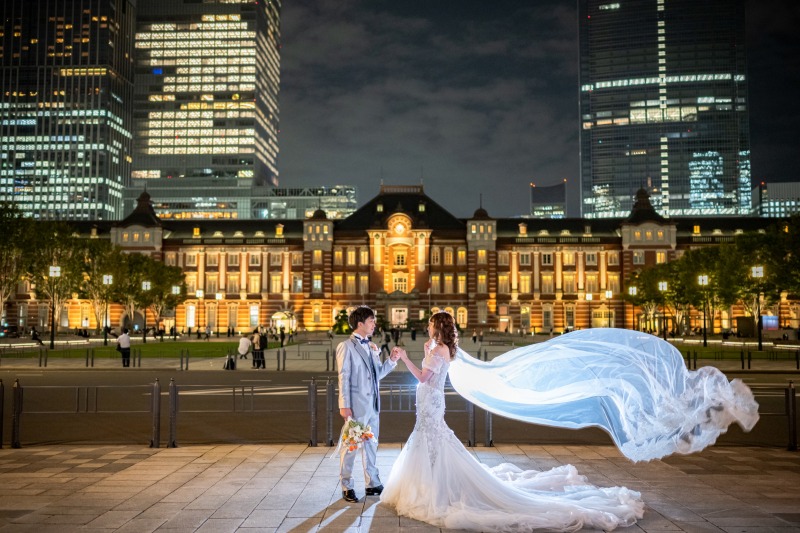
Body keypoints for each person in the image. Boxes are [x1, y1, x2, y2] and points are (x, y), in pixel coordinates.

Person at [381, 314, 759, 531]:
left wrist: (405, 358)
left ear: (437, 329)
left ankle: (433, 490)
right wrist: (422, 354)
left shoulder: (438, 350)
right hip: (430, 406)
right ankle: (434, 486)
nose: (427, 330)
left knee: (433, 443)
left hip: (429, 402)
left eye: (430, 326)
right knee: (433, 443)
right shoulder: (442, 348)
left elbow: (426, 377)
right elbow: (432, 374)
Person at [336, 305, 400, 503]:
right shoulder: (346, 346)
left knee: (372, 444)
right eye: (371, 321)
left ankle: (372, 483)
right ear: (360, 323)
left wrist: (391, 360)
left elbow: (377, 374)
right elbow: (344, 377)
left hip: (373, 404)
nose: (374, 325)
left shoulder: (372, 346)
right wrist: (344, 404)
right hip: (356, 405)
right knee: (351, 445)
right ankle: (346, 485)